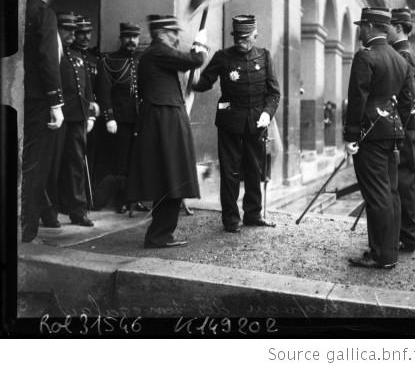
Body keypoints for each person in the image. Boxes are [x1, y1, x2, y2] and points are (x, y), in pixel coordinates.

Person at [192, 14, 280, 231]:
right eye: (237, 38)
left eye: (245, 38)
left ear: (255, 35)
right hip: (230, 123)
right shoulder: (223, 57)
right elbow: (203, 83)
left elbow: (274, 93)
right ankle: (231, 219)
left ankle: (253, 214)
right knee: (230, 171)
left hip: (256, 123)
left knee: (254, 168)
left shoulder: (264, 56)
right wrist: (194, 64)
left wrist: (267, 113)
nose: (240, 42)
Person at [127, 14, 207, 248]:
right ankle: (159, 235)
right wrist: (200, 47)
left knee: (169, 179)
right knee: (170, 178)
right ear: (161, 33)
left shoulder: (156, 54)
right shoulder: (157, 52)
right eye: (173, 33)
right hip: (164, 122)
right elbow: (193, 61)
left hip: (166, 120)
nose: (176, 37)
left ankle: (161, 233)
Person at [344, 7, 413, 269]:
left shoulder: (365, 57)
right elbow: (406, 102)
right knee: (391, 192)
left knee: (376, 195)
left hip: (369, 136)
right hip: (392, 133)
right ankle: (389, 251)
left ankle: (381, 254)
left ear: (371, 27)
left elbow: (358, 99)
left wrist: (351, 136)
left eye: (362, 25)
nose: (359, 30)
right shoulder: (400, 59)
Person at [20, 0, 64, 242]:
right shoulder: (44, 14)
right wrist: (56, 103)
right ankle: (27, 229)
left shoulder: (21, 9)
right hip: (38, 100)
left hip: (18, 95)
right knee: (35, 165)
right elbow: (48, 60)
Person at [47, 12, 96, 227]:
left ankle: (78, 211)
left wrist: (91, 113)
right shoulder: (52, 54)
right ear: (58, 29)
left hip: (77, 118)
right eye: (67, 30)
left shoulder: (77, 57)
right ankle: (48, 212)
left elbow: (87, 90)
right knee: (53, 165)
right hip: (57, 118)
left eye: (74, 31)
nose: (72, 35)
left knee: (75, 165)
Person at [96, 22, 145, 212]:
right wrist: (109, 117)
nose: (131, 41)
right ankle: (121, 201)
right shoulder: (110, 60)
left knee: (137, 160)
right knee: (121, 162)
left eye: (134, 37)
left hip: (140, 119)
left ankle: (134, 199)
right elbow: (104, 92)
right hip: (121, 120)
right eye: (127, 37)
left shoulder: (142, 59)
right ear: (121, 39)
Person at [388, 7, 415, 252]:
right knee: (402, 181)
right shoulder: (403, 52)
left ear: (398, 28)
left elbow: (407, 98)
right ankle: (404, 232)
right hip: (405, 128)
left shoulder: (404, 54)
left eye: (389, 26)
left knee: (405, 182)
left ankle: (407, 235)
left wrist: (400, 128)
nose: (386, 30)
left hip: (403, 129)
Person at [72, 15, 101, 206]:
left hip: (93, 115)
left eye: (88, 33)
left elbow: (96, 88)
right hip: (75, 114)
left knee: (92, 157)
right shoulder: (70, 56)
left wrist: (94, 114)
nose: (85, 37)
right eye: (81, 33)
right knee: (75, 159)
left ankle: (92, 198)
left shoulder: (93, 58)